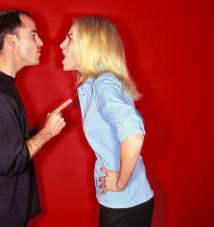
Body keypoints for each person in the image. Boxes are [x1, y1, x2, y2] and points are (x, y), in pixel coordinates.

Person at [0, 10, 72, 227]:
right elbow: (9, 161)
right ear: (11, 40)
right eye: (33, 35)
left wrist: (41, 129)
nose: (41, 42)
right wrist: (48, 132)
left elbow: (3, 147)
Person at [60, 16, 154, 227]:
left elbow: (134, 135)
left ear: (89, 46)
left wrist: (120, 182)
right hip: (123, 202)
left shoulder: (104, 83)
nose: (61, 44)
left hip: (125, 204)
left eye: (70, 38)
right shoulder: (94, 83)